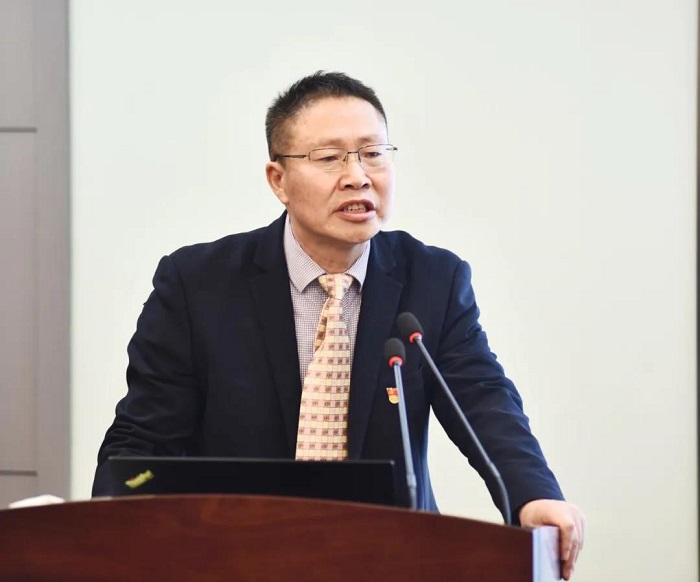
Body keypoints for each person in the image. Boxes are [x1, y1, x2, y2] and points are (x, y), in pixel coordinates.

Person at [93, 71, 584, 579]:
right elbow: (145, 436)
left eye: (373, 153)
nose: (358, 176)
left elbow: (483, 401)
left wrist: (533, 495)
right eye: (329, 158)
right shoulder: (199, 284)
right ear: (278, 180)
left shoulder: (433, 279)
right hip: (235, 556)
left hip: (392, 559)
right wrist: (106, 529)